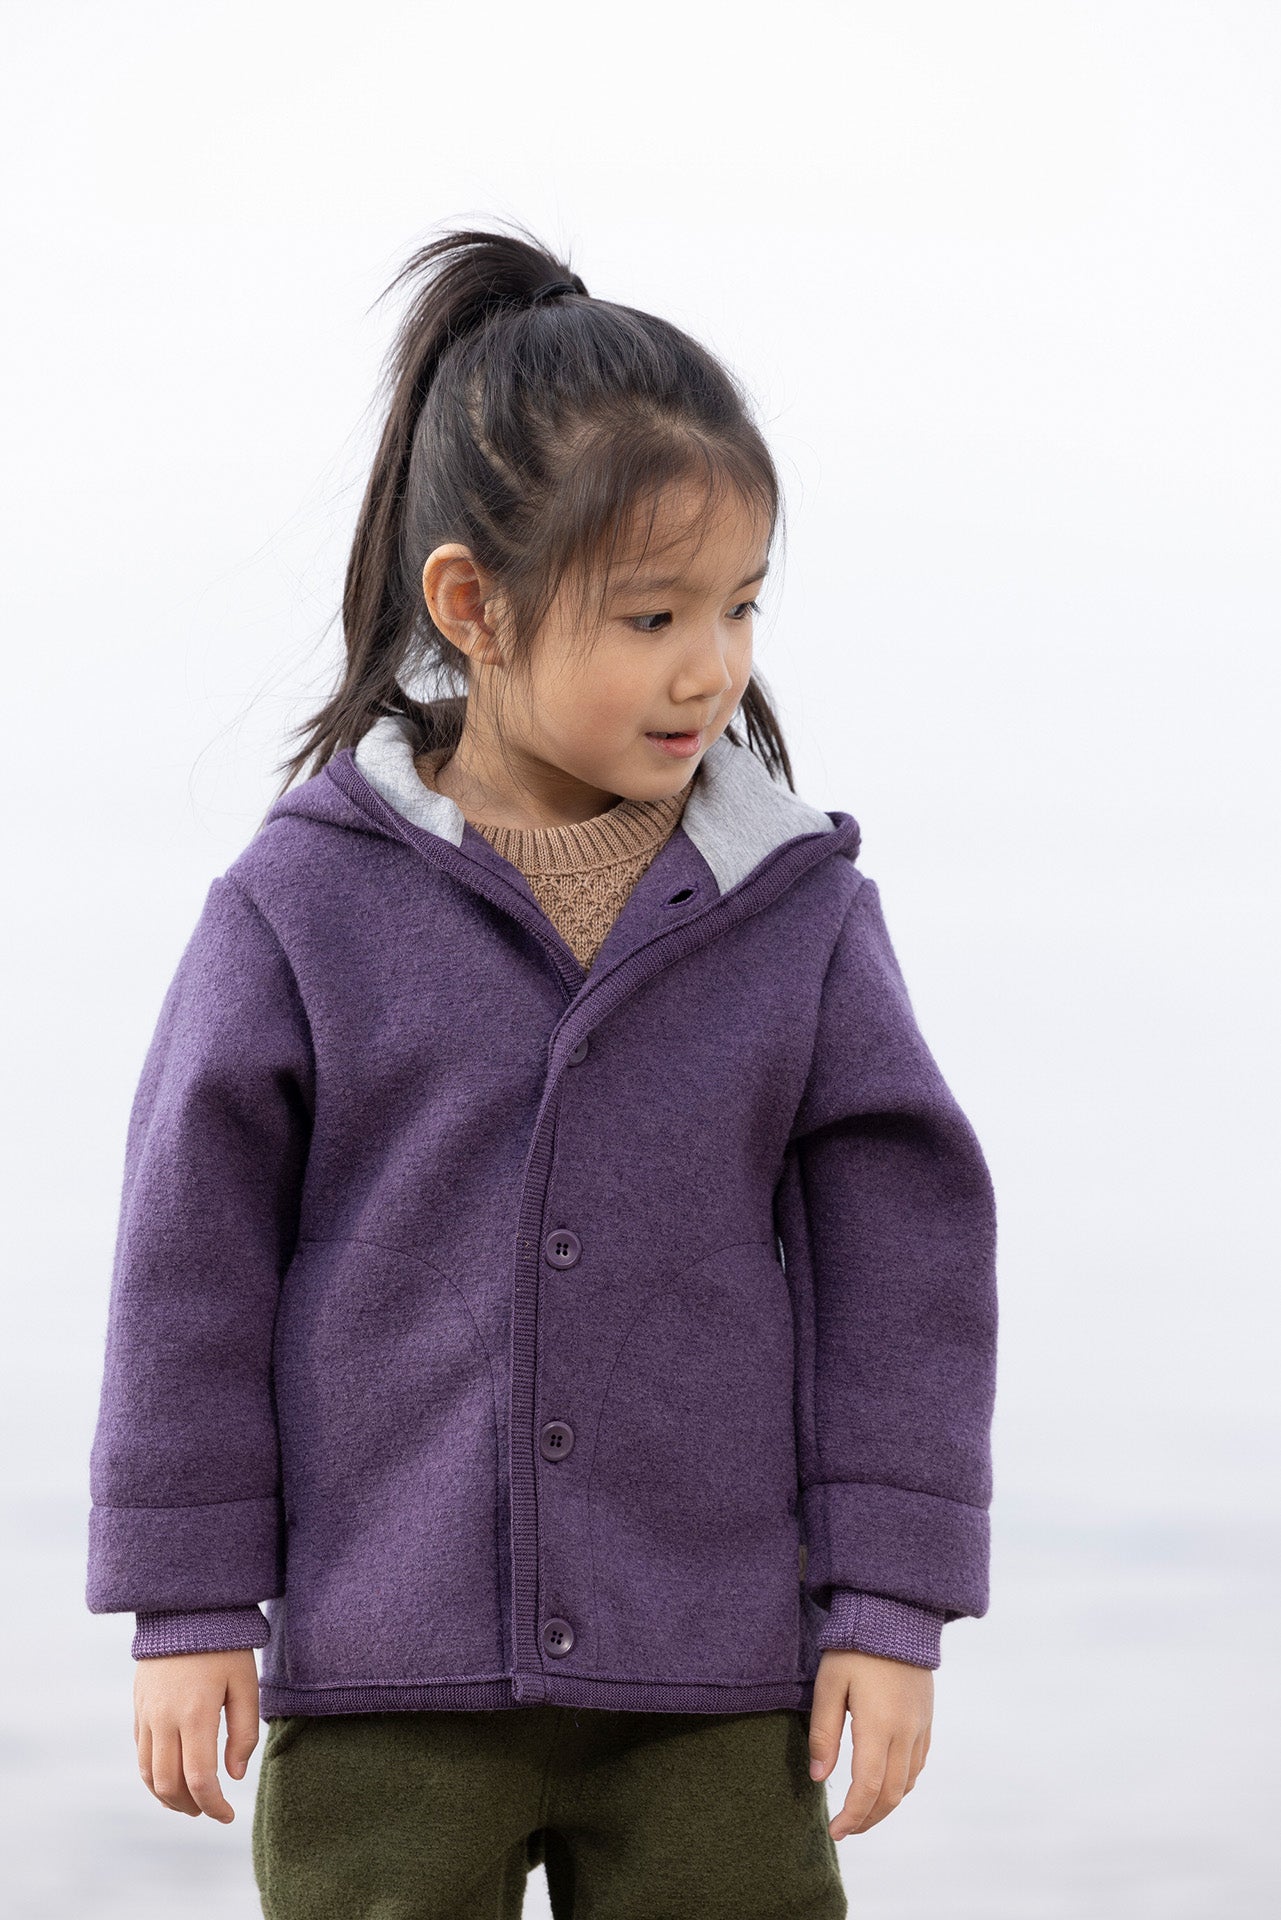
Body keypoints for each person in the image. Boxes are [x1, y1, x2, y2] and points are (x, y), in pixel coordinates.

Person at [85, 221, 999, 1919]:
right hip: (384, 1658)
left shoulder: (792, 910)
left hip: (715, 1670)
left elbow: (907, 1264)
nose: (709, 663)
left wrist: (890, 1603)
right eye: (652, 613)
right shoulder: (301, 904)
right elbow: (187, 1265)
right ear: (471, 607)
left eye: (736, 606)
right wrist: (189, 1603)